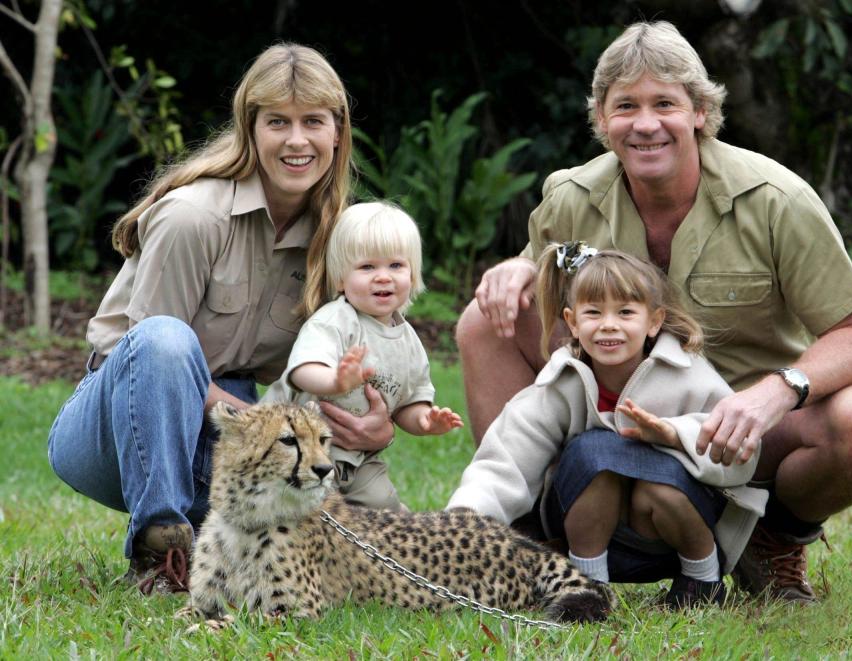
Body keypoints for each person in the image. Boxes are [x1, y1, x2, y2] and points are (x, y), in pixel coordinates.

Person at [456, 21, 852, 603]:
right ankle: (524, 538)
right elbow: (549, 264)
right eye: (625, 107)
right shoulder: (572, 196)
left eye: (664, 103)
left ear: (699, 110)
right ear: (602, 120)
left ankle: (772, 538)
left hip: (732, 428)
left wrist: (774, 394)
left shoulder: (777, 200)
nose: (645, 124)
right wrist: (518, 267)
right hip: (610, 418)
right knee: (485, 317)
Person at [46, 44, 394, 594]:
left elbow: (335, 370)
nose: (297, 140)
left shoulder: (340, 241)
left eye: (313, 122)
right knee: (165, 341)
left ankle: (237, 549)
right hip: (115, 424)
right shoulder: (193, 218)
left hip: (230, 429)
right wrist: (257, 424)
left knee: (345, 529)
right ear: (249, 128)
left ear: (338, 132)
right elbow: (147, 356)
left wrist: (379, 426)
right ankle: (159, 548)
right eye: (278, 121)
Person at [449, 244, 767, 608]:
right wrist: (461, 524)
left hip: (665, 532)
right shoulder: (561, 381)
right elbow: (506, 459)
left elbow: (742, 453)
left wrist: (674, 436)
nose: (608, 325)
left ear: (654, 321)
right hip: (590, 529)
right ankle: (589, 587)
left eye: (626, 312)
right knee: (595, 453)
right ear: (572, 321)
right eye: (594, 312)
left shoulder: (688, 374)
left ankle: (702, 582)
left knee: (656, 481)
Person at [262, 201, 463, 510]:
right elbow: (304, 370)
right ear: (341, 279)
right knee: (295, 518)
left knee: (387, 510)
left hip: (356, 461)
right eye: (367, 267)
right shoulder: (336, 320)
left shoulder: (409, 343)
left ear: (413, 275)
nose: (383, 277)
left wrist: (425, 420)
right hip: (294, 450)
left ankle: (399, 553)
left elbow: (410, 402)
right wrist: (335, 381)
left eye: (396, 266)